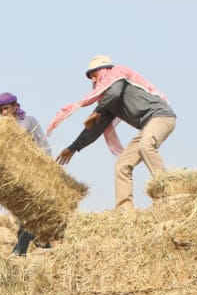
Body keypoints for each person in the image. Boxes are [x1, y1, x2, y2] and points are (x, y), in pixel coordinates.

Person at [49, 55, 176, 212]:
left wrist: (97, 110)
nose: (94, 81)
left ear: (103, 71)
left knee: (145, 146)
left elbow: (115, 91)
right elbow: (95, 129)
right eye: (90, 78)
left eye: (94, 75)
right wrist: (73, 148)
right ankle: (124, 211)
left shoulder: (119, 74)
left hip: (161, 116)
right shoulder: (107, 103)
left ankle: (169, 193)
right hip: (146, 126)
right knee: (122, 164)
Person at [0, 92, 53, 256]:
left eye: (6, 108)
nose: (4, 113)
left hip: (34, 174)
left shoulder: (28, 121)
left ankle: (19, 252)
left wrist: (48, 170)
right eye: (0, 111)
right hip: (15, 179)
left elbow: (44, 145)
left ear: (14, 106)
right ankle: (47, 251)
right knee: (22, 219)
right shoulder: (0, 129)